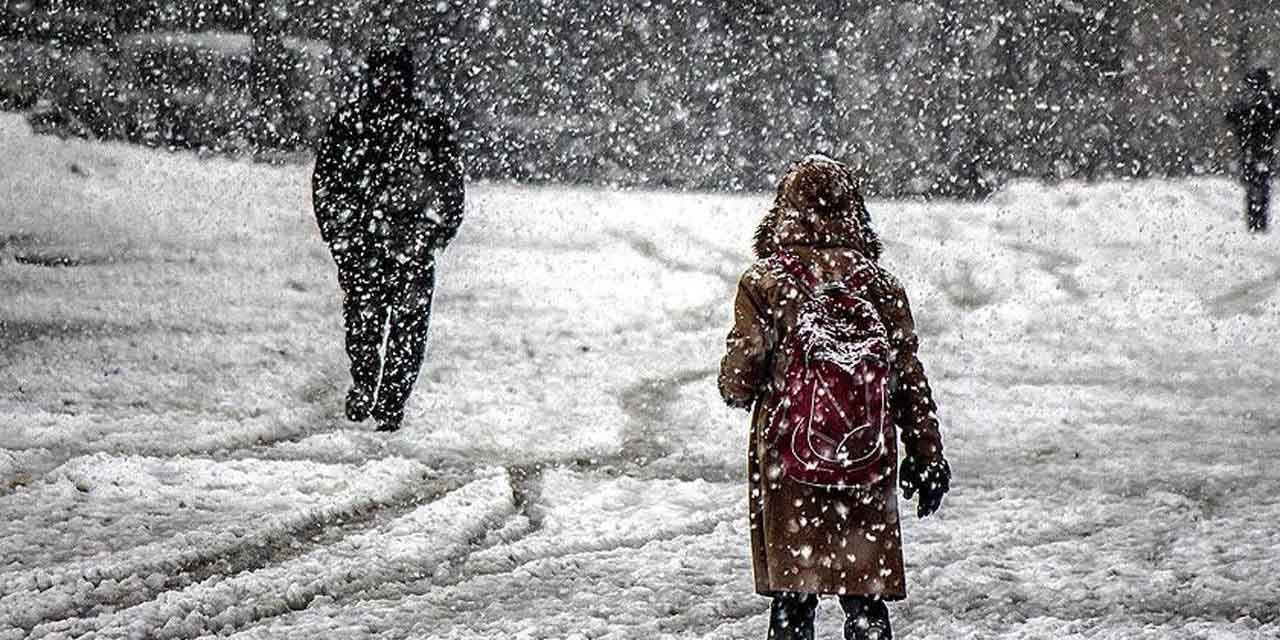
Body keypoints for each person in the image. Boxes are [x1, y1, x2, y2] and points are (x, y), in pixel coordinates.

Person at [719, 155, 950, 640]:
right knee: (865, 602)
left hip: (790, 457)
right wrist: (927, 454)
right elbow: (908, 377)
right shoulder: (881, 287)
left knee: (793, 602)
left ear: (784, 211)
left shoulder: (765, 283)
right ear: (854, 212)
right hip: (865, 457)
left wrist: (736, 385)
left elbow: (743, 374)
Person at [312, 44, 465, 432]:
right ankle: (376, 391)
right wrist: (342, 235)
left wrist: (431, 235)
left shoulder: (377, 124)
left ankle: (381, 394)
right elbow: (327, 185)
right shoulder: (365, 125)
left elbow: (449, 190)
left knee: (387, 325)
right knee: (383, 325)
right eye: (386, 76)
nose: (389, 85)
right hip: (382, 243)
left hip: (393, 243)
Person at [1227, 67, 1280, 232]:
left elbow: (1232, 117)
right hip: (1259, 148)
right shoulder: (1265, 101)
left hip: (1254, 149)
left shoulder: (1258, 100)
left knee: (1256, 185)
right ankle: (1257, 220)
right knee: (1259, 185)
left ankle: (1256, 220)